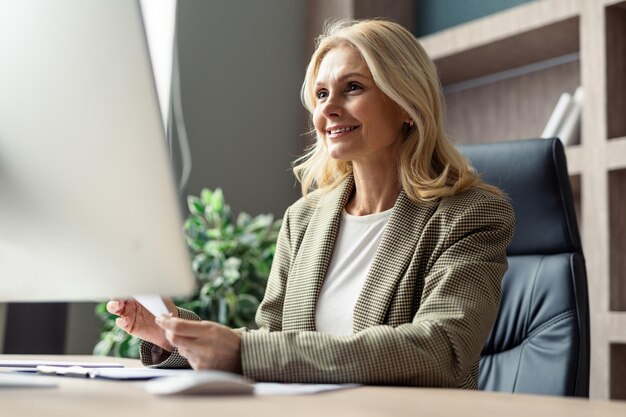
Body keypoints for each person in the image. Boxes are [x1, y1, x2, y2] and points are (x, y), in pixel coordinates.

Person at [107, 19, 514, 388]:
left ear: (407, 103)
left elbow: (442, 348)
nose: (328, 109)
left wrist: (244, 352)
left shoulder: (469, 215)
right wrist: (173, 333)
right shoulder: (303, 219)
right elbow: (272, 341)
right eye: (321, 94)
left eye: (352, 88)